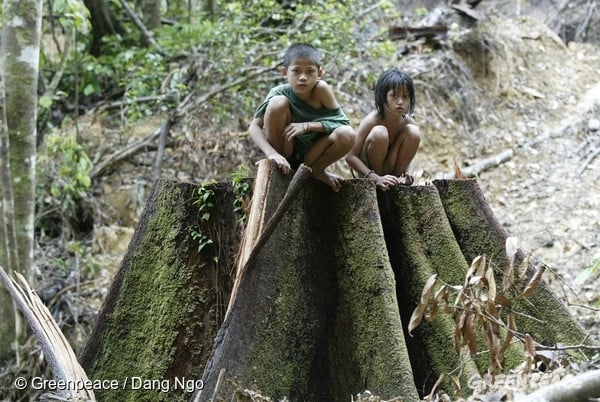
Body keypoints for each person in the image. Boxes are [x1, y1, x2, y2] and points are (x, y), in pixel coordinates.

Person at [249, 43, 355, 192]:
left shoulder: (322, 89)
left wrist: (307, 126)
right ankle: (280, 167)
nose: (303, 77)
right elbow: (254, 127)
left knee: (347, 133)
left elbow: (343, 123)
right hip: (284, 151)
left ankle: (317, 171)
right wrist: (272, 154)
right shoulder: (278, 92)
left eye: (310, 71)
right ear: (285, 72)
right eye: (296, 71)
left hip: (311, 157)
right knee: (277, 102)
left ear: (319, 73)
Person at [345, 68, 421, 190]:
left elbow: (411, 157)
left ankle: (396, 182)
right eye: (394, 96)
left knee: (413, 132)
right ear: (383, 97)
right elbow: (350, 156)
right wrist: (375, 178)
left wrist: (409, 176)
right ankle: (380, 184)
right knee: (380, 132)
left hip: (394, 171)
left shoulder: (409, 123)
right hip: (371, 173)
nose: (400, 102)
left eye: (405, 96)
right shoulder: (372, 120)